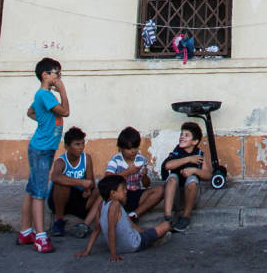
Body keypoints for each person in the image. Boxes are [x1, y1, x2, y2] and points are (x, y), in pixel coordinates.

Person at [17, 57, 69, 254]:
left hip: (42, 147)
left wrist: (42, 121)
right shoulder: (47, 95)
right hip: (42, 149)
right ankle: (40, 236)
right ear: (45, 75)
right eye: (56, 73)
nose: (58, 77)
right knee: (40, 193)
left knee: (32, 188)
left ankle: (25, 230)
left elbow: (31, 111)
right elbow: (66, 111)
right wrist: (62, 90)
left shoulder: (41, 96)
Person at [75, 175, 172, 261]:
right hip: (134, 245)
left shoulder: (101, 206)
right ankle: (152, 240)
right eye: (123, 189)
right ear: (113, 193)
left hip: (119, 247)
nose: (126, 191)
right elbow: (111, 230)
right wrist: (114, 255)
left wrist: (87, 251)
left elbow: (96, 230)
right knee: (166, 225)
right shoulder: (115, 204)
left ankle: (145, 235)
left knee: (135, 226)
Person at [47, 126, 102, 238]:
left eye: (82, 143)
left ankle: (84, 225)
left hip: (80, 199)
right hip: (60, 201)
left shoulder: (86, 158)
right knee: (62, 184)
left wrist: (88, 189)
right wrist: (80, 183)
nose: (81, 147)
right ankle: (59, 221)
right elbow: (55, 177)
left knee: (102, 189)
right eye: (77, 144)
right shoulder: (61, 161)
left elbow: (90, 182)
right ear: (67, 146)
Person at [160, 121, 213, 233]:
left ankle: (185, 217)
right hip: (175, 196)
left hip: (191, 197)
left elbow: (208, 175)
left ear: (195, 141)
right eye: (181, 134)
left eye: (186, 135)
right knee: (173, 178)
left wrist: (194, 170)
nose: (182, 137)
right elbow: (167, 165)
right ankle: (167, 217)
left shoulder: (199, 154)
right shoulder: (177, 151)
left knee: (193, 180)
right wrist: (188, 159)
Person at [105, 126, 163, 221]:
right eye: (129, 148)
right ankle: (118, 213)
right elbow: (107, 179)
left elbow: (146, 184)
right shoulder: (116, 159)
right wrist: (127, 172)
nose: (133, 151)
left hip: (136, 194)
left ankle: (134, 215)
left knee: (160, 190)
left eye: (135, 147)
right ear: (121, 148)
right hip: (120, 195)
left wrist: (144, 176)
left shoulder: (141, 159)